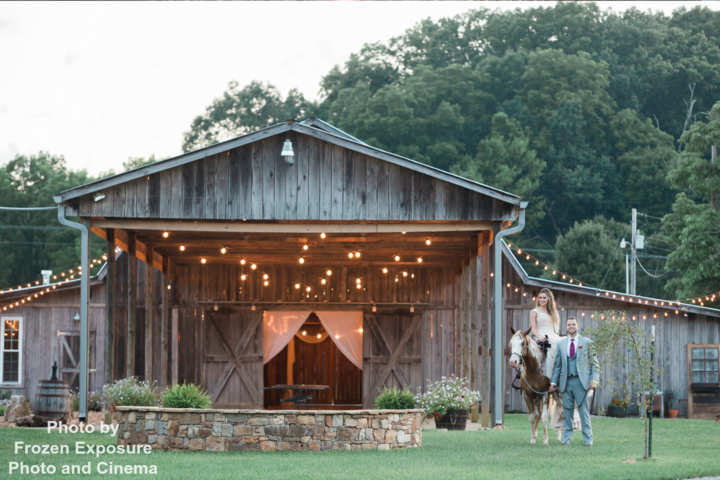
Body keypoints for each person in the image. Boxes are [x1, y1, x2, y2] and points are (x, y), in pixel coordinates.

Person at [549, 317, 600, 446]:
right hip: (566, 382)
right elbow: (558, 365)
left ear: (578, 326)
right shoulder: (561, 344)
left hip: (581, 382)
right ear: (566, 327)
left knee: (584, 413)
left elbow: (595, 364)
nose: (571, 326)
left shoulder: (587, 342)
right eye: (569, 324)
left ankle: (588, 440)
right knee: (567, 412)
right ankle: (566, 440)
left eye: (573, 324)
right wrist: (553, 383)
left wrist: (594, 380)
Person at [529, 288, 561, 375]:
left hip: (552, 334)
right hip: (541, 335)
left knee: (563, 344)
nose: (542, 300)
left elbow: (553, 328)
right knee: (551, 346)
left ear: (549, 299)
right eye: (540, 298)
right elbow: (533, 329)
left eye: (544, 298)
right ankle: (548, 374)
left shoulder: (552, 312)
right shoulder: (534, 312)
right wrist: (540, 337)